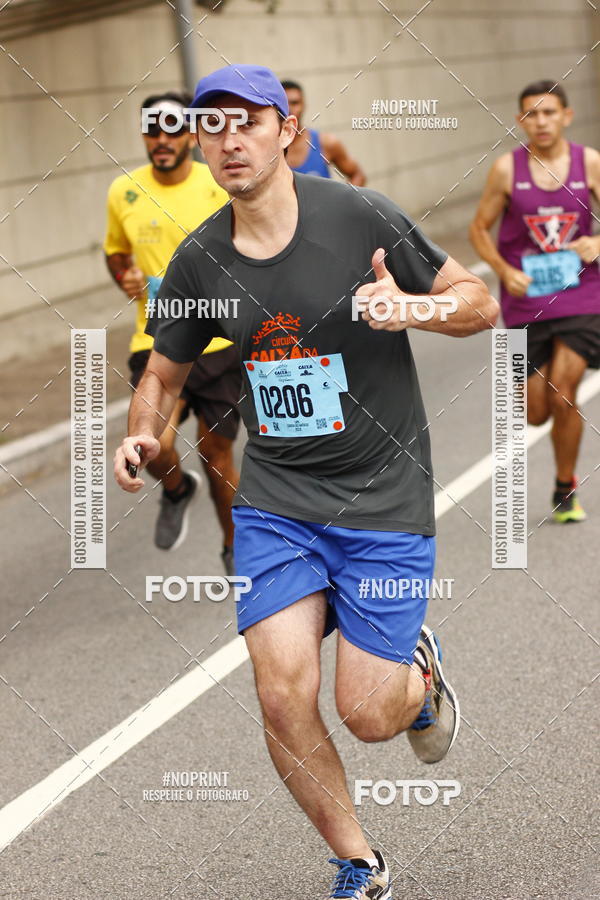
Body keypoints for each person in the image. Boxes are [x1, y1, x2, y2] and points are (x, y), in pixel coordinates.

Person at [114, 64, 498, 898]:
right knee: (283, 697)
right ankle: (359, 862)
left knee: (366, 714)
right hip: (278, 504)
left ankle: (417, 680)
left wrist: (414, 309)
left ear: (287, 130)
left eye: (246, 122)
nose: (228, 140)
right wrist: (142, 433)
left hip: (383, 495)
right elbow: (164, 375)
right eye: (211, 127)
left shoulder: (357, 216)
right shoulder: (198, 262)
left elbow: (478, 303)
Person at [104, 91, 241, 569]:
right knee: (156, 446)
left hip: (221, 340)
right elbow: (115, 252)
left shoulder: (219, 184)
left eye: (171, 128)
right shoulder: (123, 191)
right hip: (156, 336)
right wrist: (123, 276)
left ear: (190, 134)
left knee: (217, 456)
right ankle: (177, 490)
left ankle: (233, 547)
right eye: (151, 130)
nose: (160, 139)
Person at [470, 79, 600, 523]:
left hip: (583, 294)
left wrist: (596, 242)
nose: (540, 121)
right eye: (531, 113)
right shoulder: (507, 170)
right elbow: (478, 229)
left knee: (565, 392)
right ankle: (561, 470)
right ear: (519, 120)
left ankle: (565, 487)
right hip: (527, 301)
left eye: (549, 112)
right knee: (535, 412)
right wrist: (504, 272)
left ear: (566, 115)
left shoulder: (590, 163)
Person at [282, 79, 366, 184]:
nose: (289, 108)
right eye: (284, 103)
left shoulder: (326, 143)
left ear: (304, 105)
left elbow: (357, 175)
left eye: (295, 103)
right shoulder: (270, 147)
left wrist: (342, 200)